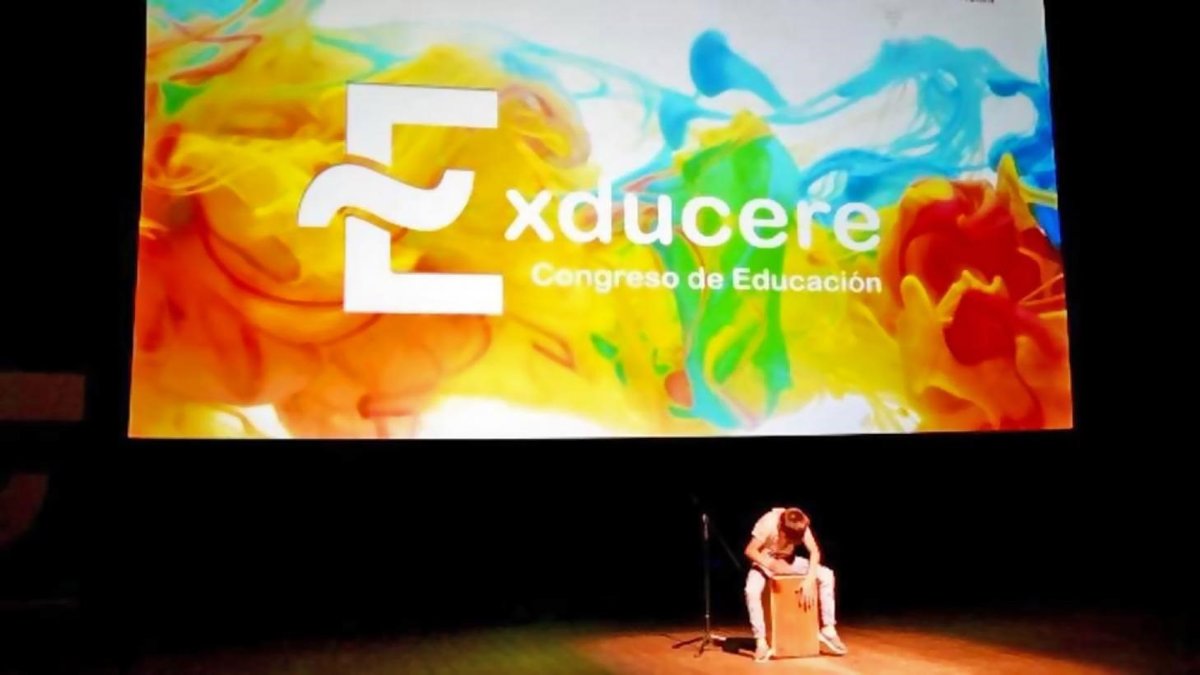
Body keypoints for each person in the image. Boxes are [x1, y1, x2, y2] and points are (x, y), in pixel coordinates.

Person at [744, 506, 847, 660]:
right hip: (766, 561)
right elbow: (750, 550)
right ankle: (761, 641)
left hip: (789, 561)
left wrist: (810, 579)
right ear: (783, 531)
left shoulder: (800, 523)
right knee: (751, 590)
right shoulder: (768, 523)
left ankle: (829, 630)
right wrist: (771, 564)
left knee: (827, 575)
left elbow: (814, 551)